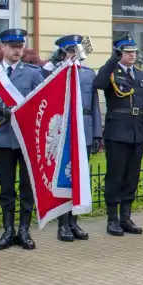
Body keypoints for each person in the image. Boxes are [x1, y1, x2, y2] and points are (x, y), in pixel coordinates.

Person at [0, 28, 45, 251]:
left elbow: (41, 106)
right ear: (3, 48)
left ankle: (24, 230)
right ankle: (8, 230)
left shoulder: (33, 73)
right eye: (13, 47)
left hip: (27, 138)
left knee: (27, 187)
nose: (18, 51)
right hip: (3, 137)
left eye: (20, 47)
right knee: (6, 188)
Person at [45, 35, 102, 242]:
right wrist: (54, 63)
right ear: (62, 53)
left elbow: (94, 104)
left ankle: (74, 222)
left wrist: (97, 133)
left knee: (79, 179)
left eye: (76, 50)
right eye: (70, 51)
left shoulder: (87, 74)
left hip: (84, 129)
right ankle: (62, 224)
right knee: (64, 178)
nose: (74, 54)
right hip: (64, 132)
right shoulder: (55, 73)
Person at [94, 35, 143, 236]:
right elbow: (99, 83)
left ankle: (126, 217)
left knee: (132, 177)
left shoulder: (140, 75)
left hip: (137, 132)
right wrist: (112, 60)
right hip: (117, 133)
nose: (131, 55)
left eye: (133, 52)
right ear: (119, 53)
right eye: (127, 52)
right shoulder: (112, 72)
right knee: (115, 176)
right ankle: (112, 219)